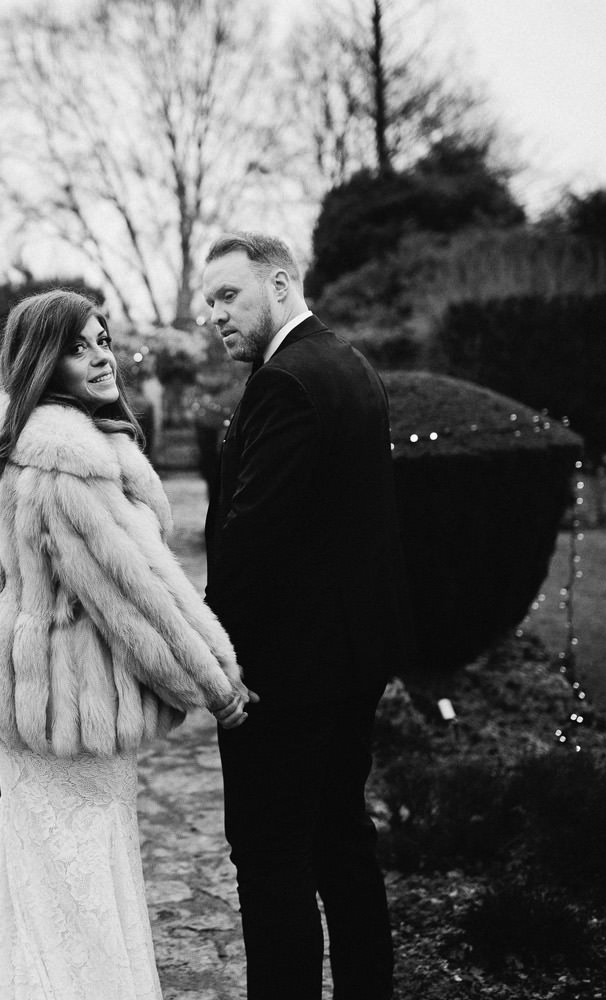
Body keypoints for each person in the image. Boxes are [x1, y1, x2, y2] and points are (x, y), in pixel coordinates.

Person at [0, 289, 253, 1000]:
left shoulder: (6, 441)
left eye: (102, 339)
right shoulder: (63, 462)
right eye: (79, 346)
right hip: (66, 712)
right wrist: (217, 682)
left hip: (21, 706)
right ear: (45, 360)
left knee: (30, 876)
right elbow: (139, 591)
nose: (102, 355)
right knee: (82, 889)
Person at [201, 231, 414, 999]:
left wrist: (215, 657)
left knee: (270, 861)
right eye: (208, 302)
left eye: (228, 294)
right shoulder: (351, 366)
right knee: (341, 843)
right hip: (353, 660)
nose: (213, 315)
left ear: (281, 284)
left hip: (288, 675)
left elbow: (250, 540)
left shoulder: (285, 382)